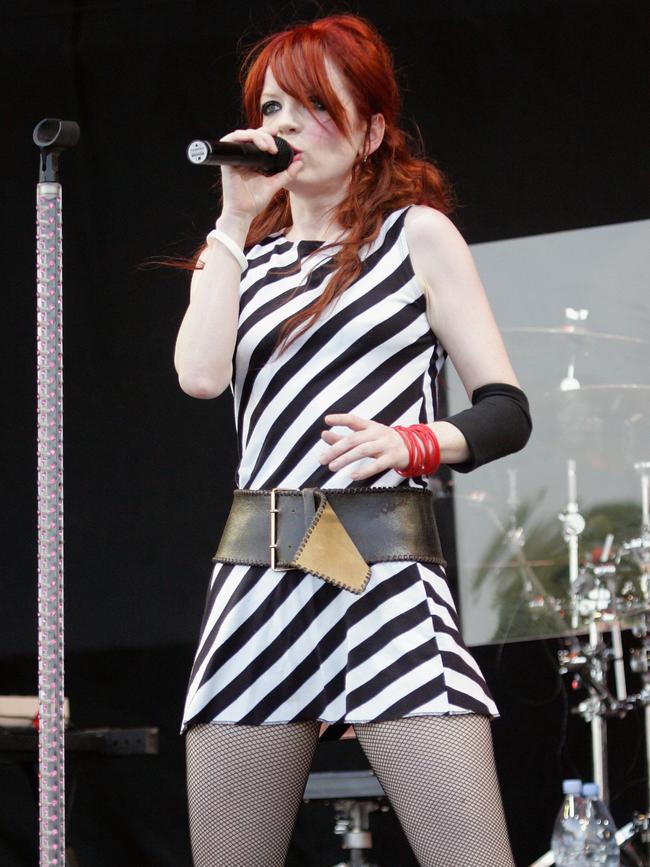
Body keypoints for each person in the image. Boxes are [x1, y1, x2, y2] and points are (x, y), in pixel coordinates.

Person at [174, 14, 531, 867]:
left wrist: (411, 444)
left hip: (381, 565)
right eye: (272, 107)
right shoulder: (237, 260)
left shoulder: (415, 236)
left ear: (371, 130)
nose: (286, 125)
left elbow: (506, 408)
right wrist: (231, 220)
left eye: (312, 106)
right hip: (262, 570)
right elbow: (198, 374)